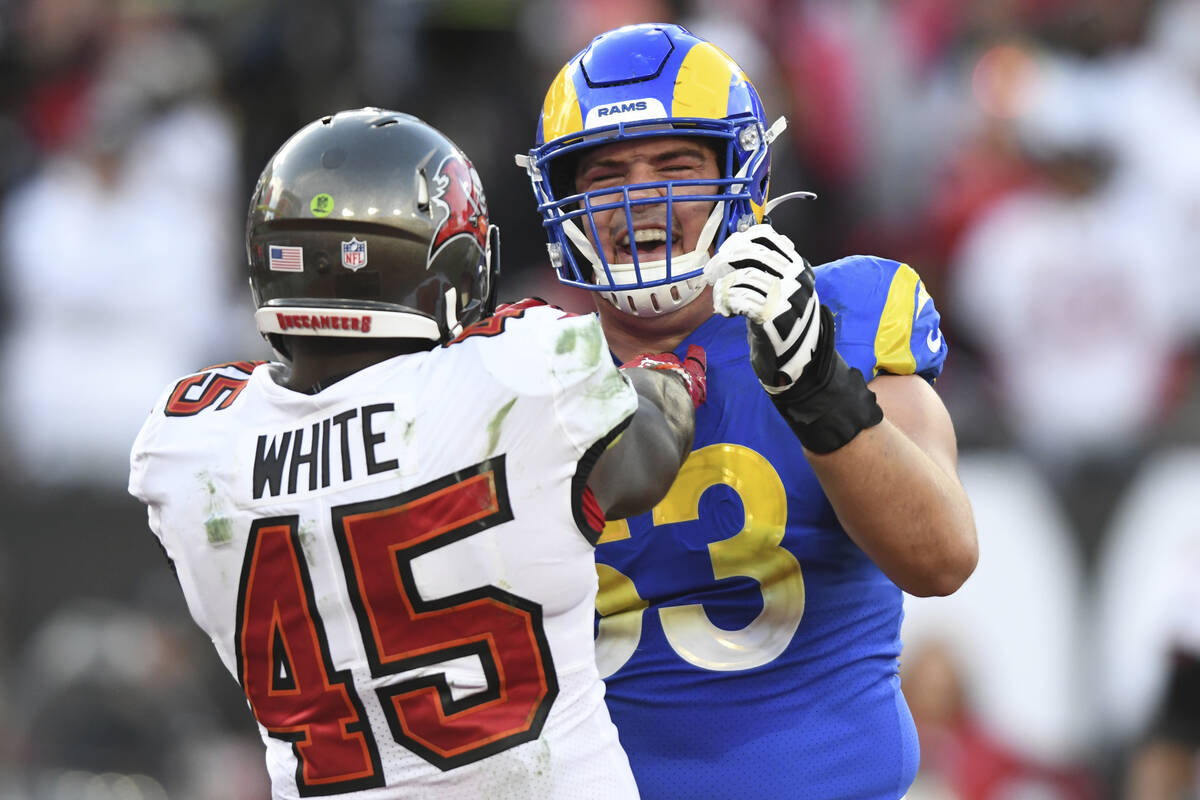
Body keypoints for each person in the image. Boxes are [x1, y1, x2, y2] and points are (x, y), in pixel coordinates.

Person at [129, 108, 708, 799]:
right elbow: (651, 449)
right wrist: (672, 373)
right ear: (450, 264)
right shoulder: (517, 374)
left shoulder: (188, 441)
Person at [517, 23, 978, 799]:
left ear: (742, 171)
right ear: (562, 197)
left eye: (674, 165)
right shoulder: (523, 374)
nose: (641, 197)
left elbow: (942, 556)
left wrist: (818, 385)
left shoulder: (851, 314)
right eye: (607, 174)